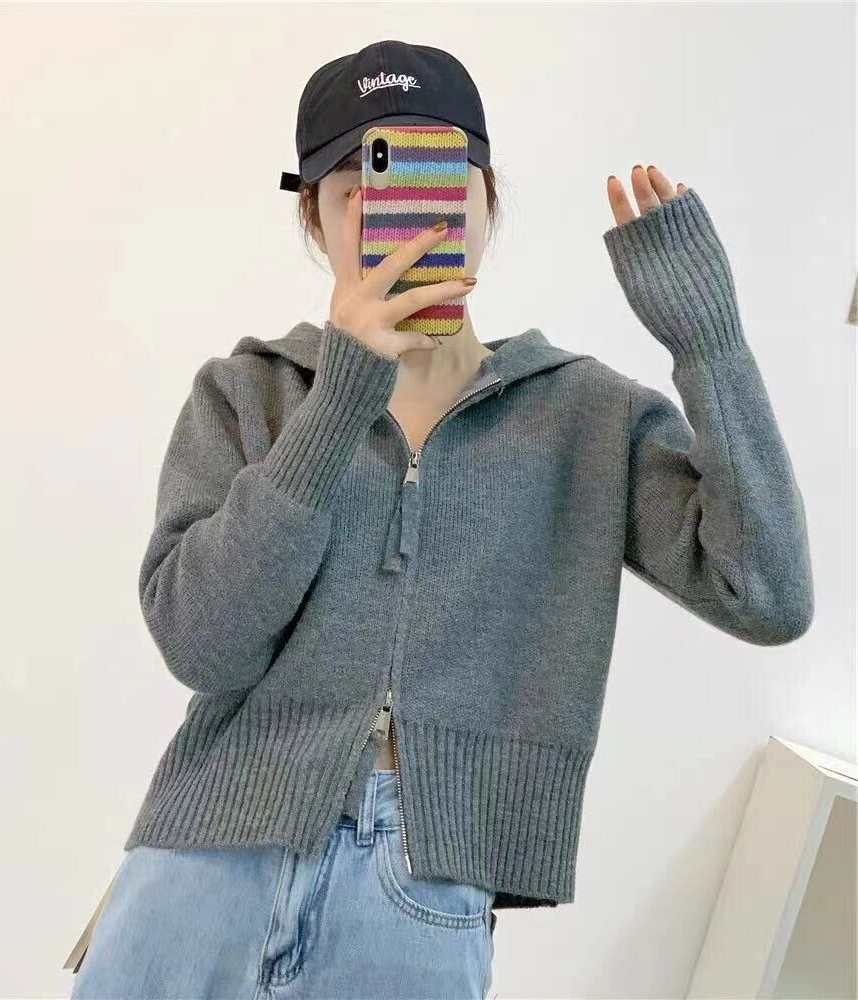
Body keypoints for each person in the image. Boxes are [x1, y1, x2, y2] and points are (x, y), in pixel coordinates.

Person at [69, 39, 814, 1000]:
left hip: (425, 885)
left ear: (485, 200)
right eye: (359, 190)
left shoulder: (586, 416)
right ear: (314, 218)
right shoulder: (250, 392)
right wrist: (340, 399)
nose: (399, 219)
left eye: (433, 179)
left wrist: (710, 347)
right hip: (199, 869)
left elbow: (768, 596)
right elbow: (202, 645)